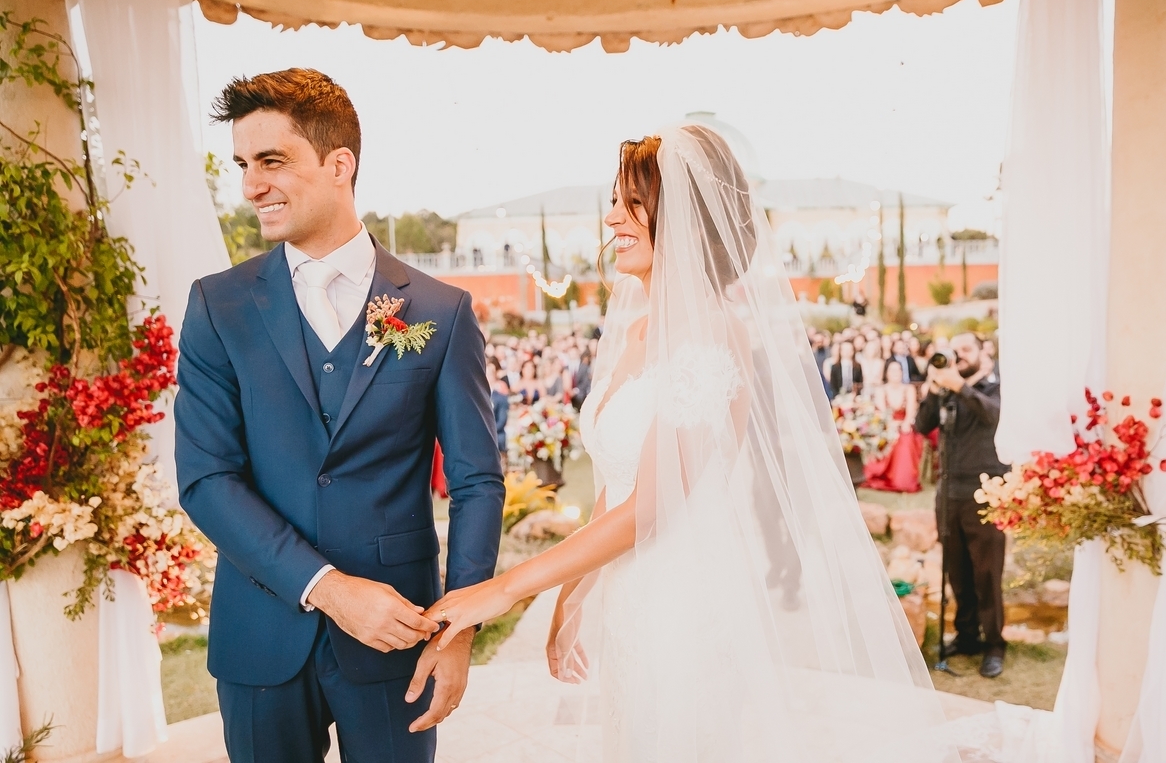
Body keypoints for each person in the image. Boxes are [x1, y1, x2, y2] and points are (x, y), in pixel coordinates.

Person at [423, 126, 953, 762]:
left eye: (632, 203)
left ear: (686, 220)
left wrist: (507, 587)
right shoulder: (635, 329)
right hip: (630, 597)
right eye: (615, 200)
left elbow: (652, 504)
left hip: (686, 604)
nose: (612, 216)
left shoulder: (712, 335)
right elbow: (617, 484)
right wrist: (573, 596)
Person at [174, 69, 504, 763]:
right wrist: (329, 589)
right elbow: (206, 480)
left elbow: (477, 481)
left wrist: (457, 632)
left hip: (400, 640)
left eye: (271, 162)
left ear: (339, 164)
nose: (250, 186)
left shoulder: (440, 311)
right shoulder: (217, 307)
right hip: (261, 634)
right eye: (243, 165)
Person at [915, 333, 1009, 679]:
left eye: (966, 349)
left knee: (987, 573)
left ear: (985, 353)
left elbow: (994, 417)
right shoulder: (946, 391)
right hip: (949, 492)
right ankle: (967, 636)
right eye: (954, 351)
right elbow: (922, 426)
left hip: (986, 493)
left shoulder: (995, 386)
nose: (959, 356)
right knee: (957, 572)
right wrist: (935, 391)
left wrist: (960, 387)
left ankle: (994, 643)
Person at [862, 359, 923, 493]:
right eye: (892, 370)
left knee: (905, 440)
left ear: (902, 372)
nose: (896, 373)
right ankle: (883, 473)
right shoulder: (881, 390)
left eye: (898, 370)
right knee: (888, 439)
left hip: (905, 424)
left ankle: (903, 480)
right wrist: (891, 426)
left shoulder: (909, 388)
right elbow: (883, 414)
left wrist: (906, 423)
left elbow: (911, 410)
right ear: (887, 373)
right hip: (886, 426)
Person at [487, 359, 510, 456]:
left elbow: (502, 420)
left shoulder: (500, 398)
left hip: (496, 435)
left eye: (490, 374)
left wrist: (487, 432)